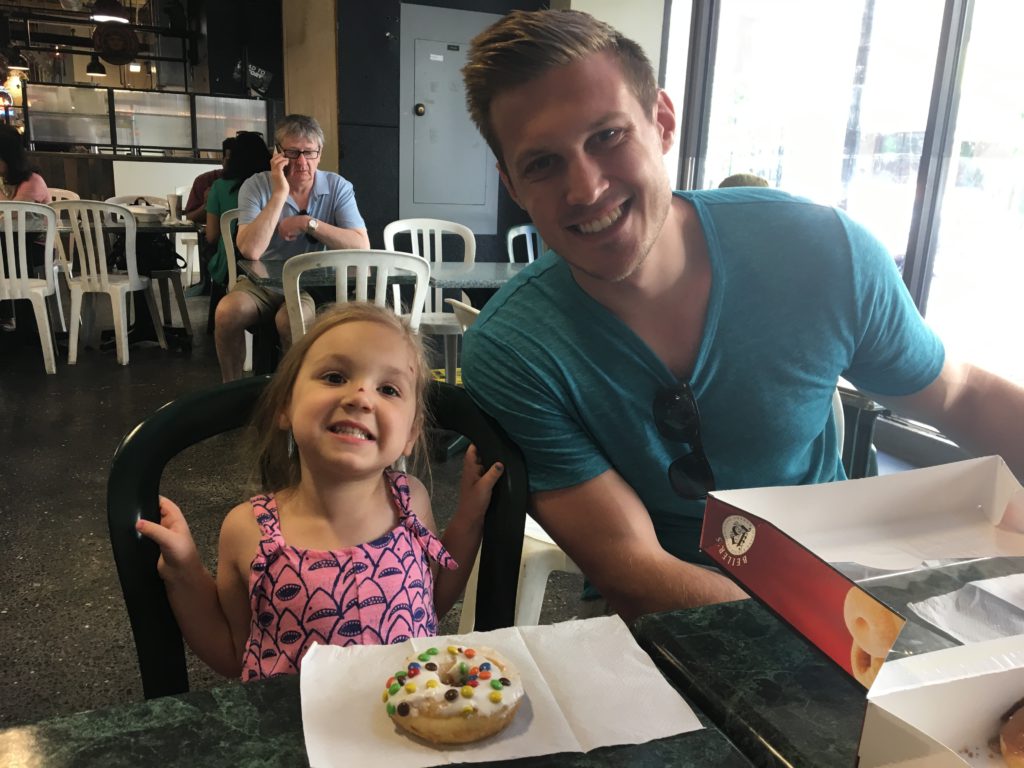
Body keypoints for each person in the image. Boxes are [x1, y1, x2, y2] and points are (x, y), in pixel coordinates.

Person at [459, 9, 1024, 622]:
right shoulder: (512, 348)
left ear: (663, 122)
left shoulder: (818, 250)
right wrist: (840, 633)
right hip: (676, 625)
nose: (586, 189)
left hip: (843, 579)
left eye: (608, 136)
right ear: (512, 184)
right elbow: (637, 574)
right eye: (543, 163)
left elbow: (960, 395)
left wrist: (850, 627)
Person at [137, 302, 504, 679]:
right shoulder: (248, 530)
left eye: (389, 388)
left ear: (410, 434)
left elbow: (431, 603)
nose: (361, 397)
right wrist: (185, 573)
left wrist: (469, 516)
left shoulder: (412, 501)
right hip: (292, 734)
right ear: (285, 405)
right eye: (333, 377)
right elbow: (234, 654)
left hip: (406, 726)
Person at [214, 114, 370, 383]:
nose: (302, 162)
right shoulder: (256, 185)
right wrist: (279, 193)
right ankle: (231, 393)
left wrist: (307, 222)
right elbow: (251, 250)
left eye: (309, 153)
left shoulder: (337, 187)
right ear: (277, 154)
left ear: (319, 154)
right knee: (227, 312)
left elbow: (361, 245)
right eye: (293, 152)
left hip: (307, 284)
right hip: (261, 282)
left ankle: (292, 392)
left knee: (290, 321)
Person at [204, 132, 271, 288]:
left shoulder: (219, 187)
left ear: (232, 158)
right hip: (268, 261)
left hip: (230, 265)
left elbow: (212, 236)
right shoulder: (274, 185)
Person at [0, 124, 49, 331]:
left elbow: (10, 216)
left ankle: (21, 321)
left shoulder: (32, 182)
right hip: (11, 246)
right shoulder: (5, 181)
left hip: (37, 247)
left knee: (6, 250)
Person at [184, 136, 236, 225]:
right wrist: (207, 205)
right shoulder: (205, 180)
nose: (234, 165)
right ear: (223, 160)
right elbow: (189, 217)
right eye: (229, 160)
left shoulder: (250, 183)